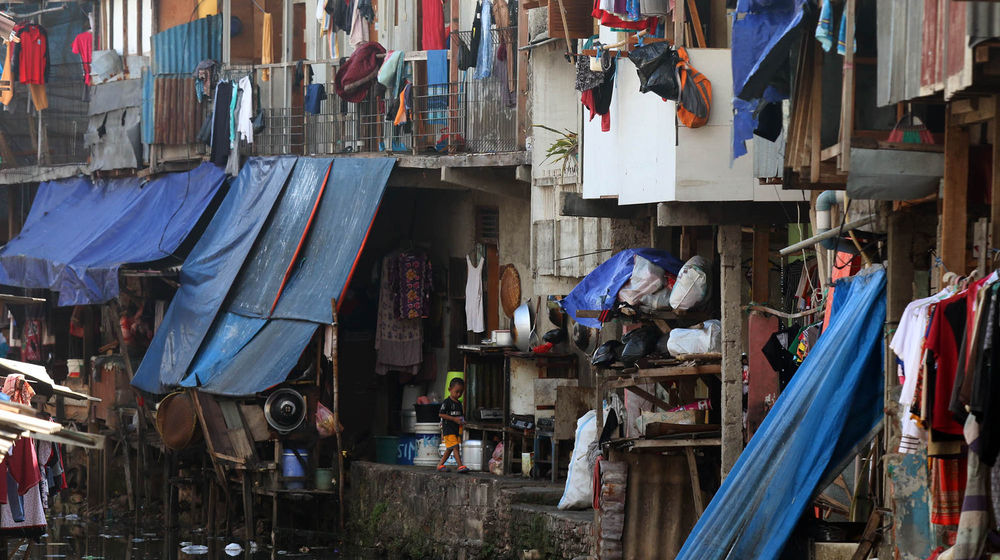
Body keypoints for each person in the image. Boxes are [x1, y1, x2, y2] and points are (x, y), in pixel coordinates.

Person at [437, 378, 469, 473]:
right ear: (449, 390)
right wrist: (454, 419)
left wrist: (463, 421)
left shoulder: (459, 404)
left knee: (450, 448)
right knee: (455, 447)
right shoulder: (446, 402)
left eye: (461, 392)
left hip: (455, 430)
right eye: (457, 392)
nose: (459, 394)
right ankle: (460, 465)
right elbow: (441, 414)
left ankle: (440, 465)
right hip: (448, 429)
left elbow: (460, 416)